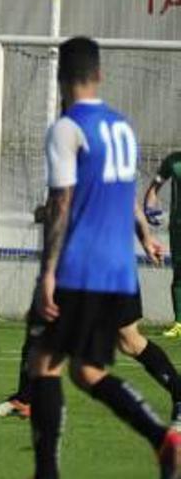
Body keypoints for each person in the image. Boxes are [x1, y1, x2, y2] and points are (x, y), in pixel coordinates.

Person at [27, 36, 181, 479]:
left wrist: (49, 273)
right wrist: (144, 235)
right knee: (88, 371)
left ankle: (46, 474)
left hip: (82, 265)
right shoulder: (123, 127)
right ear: (100, 75)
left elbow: (61, 202)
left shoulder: (66, 127)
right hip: (118, 270)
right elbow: (126, 194)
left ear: (61, 79)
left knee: (44, 363)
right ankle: (162, 439)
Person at [0, 206, 181, 424]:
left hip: (103, 263)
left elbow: (70, 204)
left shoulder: (82, 174)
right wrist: (145, 238)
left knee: (127, 341)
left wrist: (47, 214)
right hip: (90, 260)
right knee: (43, 322)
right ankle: (26, 398)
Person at [144, 152, 181, 338]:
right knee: (179, 274)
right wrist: (149, 206)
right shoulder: (173, 161)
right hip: (177, 227)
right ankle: (179, 323)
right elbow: (155, 186)